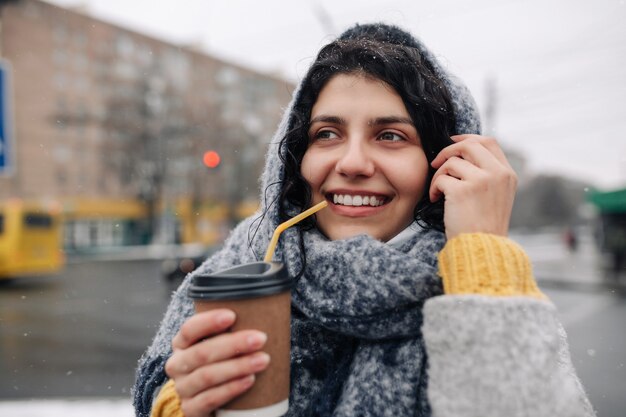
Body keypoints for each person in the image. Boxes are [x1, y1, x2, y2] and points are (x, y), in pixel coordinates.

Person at [133, 23, 596, 417]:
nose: (352, 162)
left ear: (445, 161)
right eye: (327, 133)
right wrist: (180, 405)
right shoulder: (241, 264)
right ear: (296, 157)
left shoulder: (490, 281)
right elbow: (156, 384)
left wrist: (481, 254)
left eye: (390, 135)